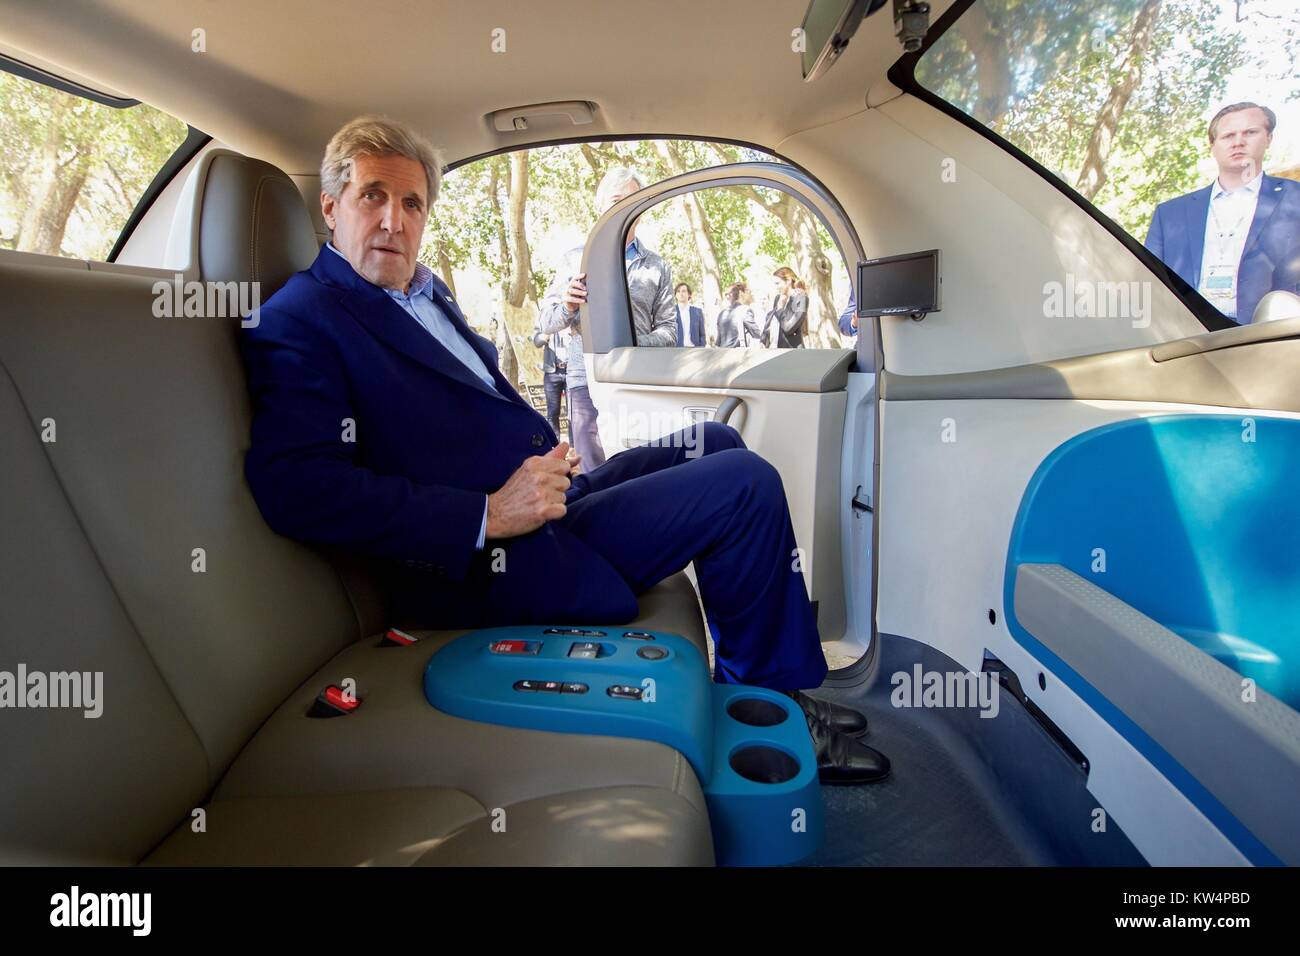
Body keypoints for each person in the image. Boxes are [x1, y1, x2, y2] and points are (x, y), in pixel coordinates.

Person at [241, 116, 889, 784]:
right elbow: (297, 485)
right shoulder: (302, 317)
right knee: (743, 483)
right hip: (489, 559)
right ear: (330, 206)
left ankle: (756, 677)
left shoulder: (423, 292)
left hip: (550, 500)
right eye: (372, 195)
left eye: (412, 203)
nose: (394, 221)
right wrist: (486, 513)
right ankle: (769, 707)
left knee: (715, 441)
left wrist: (545, 456)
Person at [537, 167, 678, 471]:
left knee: (637, 468)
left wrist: (628, 345)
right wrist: (567, 306)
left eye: (634, 200)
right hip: (584, 381)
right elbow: (546, 322)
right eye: (616, 200)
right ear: (600, 207)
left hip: (638, 381)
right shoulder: (574, 260)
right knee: (593, 472)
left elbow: (670, 331)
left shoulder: (657, 266)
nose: (624, 207)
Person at [1144, 102, 1300, 325]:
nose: (1238, 142)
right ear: (1212, 145)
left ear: (1268, 138)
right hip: (1188, 337)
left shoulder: (1295, 199)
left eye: (1250, 132)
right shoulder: (1170, 214)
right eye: (1228, 136)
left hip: (1273, 336)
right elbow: (1150, 282)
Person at [531, 318, 572, 448]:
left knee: (574, 413)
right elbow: (536, 341)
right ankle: (554, 447)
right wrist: (546, 334)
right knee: (552, 413)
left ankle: (574, 448)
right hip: (552, 371)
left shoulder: (572, 316)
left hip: (572, 371)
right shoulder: (545, 317)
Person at [762, 266, 810, 348]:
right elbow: (773, 320)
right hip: (775, 350)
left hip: (791, 352)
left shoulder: (801, 298)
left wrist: (780, 309)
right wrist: (763, 340)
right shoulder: (778, 298)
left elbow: (788, 328)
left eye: (777, 283)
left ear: (788, 281)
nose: (776, 287)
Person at [716, 281, 763, 347]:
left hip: (723, 353)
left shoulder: (721, 314)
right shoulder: (745, 310)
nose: (751, 294)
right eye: (748, 291)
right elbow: (756, 333)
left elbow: (718, 341)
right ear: (741, 293)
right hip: (738, 354)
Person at [674, 282, 706, 347]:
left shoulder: (697, 312)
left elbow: (702, 335)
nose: (681, 293)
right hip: (676, 350)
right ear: (676, 295)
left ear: (689, 294)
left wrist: (701, 348)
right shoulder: (671, 312)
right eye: (678, 291)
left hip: (694, 349)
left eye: (683, 291)